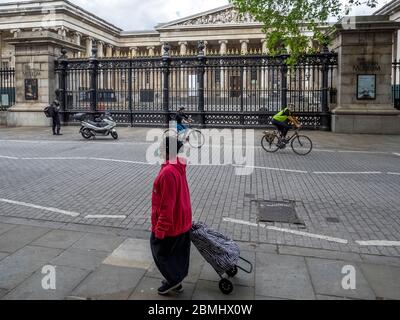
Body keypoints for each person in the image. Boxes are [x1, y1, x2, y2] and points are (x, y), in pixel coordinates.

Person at [150, 136, 193, 296]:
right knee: (176, 254)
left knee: (160, 251)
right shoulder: (176, 165)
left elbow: (166, 206)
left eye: (161, 147)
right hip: (182, 219)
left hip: (172, 224)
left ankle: (173, 280)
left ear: (168, 151)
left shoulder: (168, 172)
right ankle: (177, 281)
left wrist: (160, 229)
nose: (159, 149)